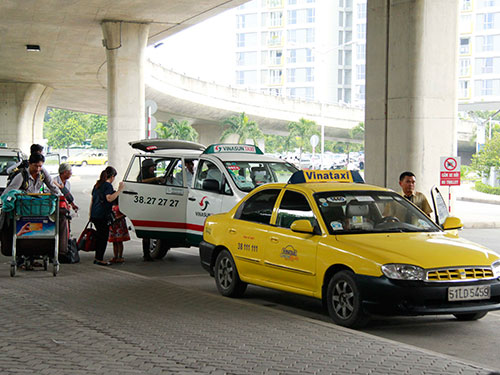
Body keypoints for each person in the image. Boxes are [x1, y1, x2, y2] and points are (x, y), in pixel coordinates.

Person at [90, 166, 125, 266]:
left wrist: (90, 215)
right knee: (103, 238)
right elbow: (109, 198)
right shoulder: (107, 186)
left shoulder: (97, 185)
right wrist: (119, 190)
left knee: (99, 237)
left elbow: (92, 201)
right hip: (102, 215)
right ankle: (99, 259)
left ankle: (97, 257)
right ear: (112, 176)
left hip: (95, 214)